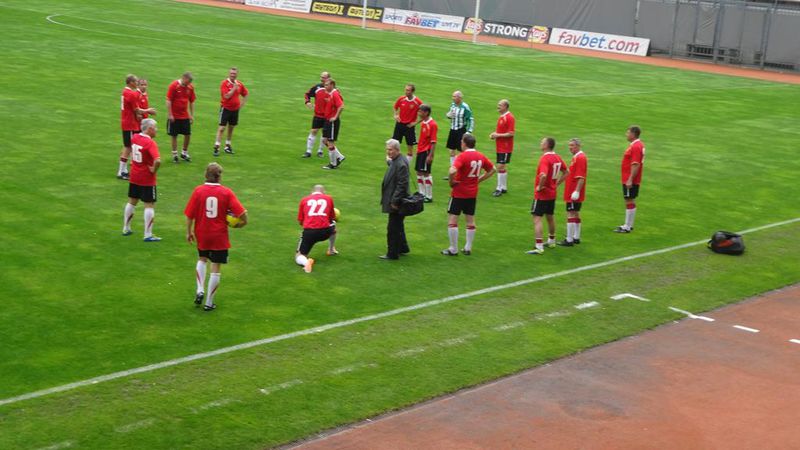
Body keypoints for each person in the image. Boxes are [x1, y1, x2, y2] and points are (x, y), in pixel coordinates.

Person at [184, 163, 248, 311]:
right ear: (219, 176)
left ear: (206, 175)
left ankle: (200, 289)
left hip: (202, 232)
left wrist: (188, 232)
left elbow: (189, 215)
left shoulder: (198, 191)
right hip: (219, 235)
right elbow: (241, 212)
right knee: (215, 267)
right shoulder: (226, 192)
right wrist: (243, 222)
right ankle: (209, 303)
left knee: (202, 259)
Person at [442, 133, 496, 256]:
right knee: (470, 219)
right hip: (472, 193)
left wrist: (451, 181)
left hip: (459, 192)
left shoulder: (462, 157)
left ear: (464, 143)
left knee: (453, 219)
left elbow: (452, 170)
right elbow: (493, 169)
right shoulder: (480, 156)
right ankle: (468, 247)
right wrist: (479, 180)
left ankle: (453, 249)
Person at [122, 118, 162, 241]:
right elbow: (158, 160)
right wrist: (153, 170)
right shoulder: (150, 143)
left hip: (134, 176)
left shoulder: (134, 137)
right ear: (149, 129)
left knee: (132, 201)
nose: (156, 130)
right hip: (147, 179)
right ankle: (148, 234)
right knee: (149, 205)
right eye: (155, 128)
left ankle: (126, 228)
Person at [527, 137, 568, 255]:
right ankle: (551, 240)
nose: (540, 143)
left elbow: (543, 175)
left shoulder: (545, 159)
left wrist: (539, 187)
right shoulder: (557, 157)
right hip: (552, 193)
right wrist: (556, 184)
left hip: (542, 194)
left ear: (547, 145)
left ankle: (539, 246)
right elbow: (566, 172)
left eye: (542, 142)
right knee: (550, 216)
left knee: (537, 218)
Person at [117, 74, 155, 180]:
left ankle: (124, 170)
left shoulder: (125, 92)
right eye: (136, 81)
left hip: (126, 122)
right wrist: (149, 111)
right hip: (130, 124)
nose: (137, 83)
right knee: (128, 147)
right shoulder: (131, 94)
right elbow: (137, 110)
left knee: (128, 146)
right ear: (131, 82)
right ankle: (120, 171)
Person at [295, 185, 338, 273]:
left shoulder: (304, 200)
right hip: (326, 232)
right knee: (333, 225)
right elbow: (332, 218)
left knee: (299, 255)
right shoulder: (328, 198)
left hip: (310, 233)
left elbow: (300, 221)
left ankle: (306, 263)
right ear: (324, 192)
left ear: (312, 192)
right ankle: (331, 249)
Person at [380, 139, 410, 260]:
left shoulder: (400, 164)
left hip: (398, 202)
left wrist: (394, 201)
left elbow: (402, 185)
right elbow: (393, 166)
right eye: (387, 149)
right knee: (398, 225)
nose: (388, 152)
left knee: (392, 228)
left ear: (397, 150)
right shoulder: (397, 160)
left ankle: (392, 253)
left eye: (390, 150)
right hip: (397, 200)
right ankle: (403, 247)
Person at [615, 126, 645, 233]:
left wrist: (630, 179)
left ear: (633, 134)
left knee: (629, 200)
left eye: (628, 132)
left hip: (630, 178)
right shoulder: (637, 145)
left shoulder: (636, 146)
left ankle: (627, 226)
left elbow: (635, 164)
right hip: (629, 177)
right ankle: (629, 225)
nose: (626, 134)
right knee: (629, 199)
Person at [557, 138, 587, 246]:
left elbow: (581, 177)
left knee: (570, 213)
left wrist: (577, 191)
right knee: (575, 213)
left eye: (572, 145)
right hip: (572, 191)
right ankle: (576, 237)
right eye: (569, 146)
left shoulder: (580, 158)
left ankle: (569, 239)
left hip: (573, 192)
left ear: (578, 146)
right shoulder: (577, 157)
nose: (570, 148)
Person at [214, 67, 248, 156]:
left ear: (237, 74)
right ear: (229, 74)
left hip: (235, 110)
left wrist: (241, 105)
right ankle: (217, 147)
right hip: (225, 109)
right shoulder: (224, 83)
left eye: (234, 73)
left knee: (231, 128)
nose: (233, 75)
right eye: (231, 73)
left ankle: (227, 146)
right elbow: (226, 96)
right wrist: (234, 88)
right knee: (221, 128)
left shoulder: (239, 84)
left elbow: (245, 94)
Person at [166, 72, 196, 163]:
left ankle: (184, 152)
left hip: (184, 115)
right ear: (183, 78)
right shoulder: (174, 86)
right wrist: (170, 114)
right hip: (175, 116)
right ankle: (175, 155)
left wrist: (191, 115)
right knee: (174, 135)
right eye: (188, 81)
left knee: (188, 134)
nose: (189, 83)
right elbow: (168, 100)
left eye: (190, 81)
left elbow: (192, 101)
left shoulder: (190, 87)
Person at [443, 91, 473, 179]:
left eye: (455, 96)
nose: (453, 98)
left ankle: (462, 173)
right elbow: (450, 115)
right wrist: (448, 115)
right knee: (451, 151)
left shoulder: (465, 107)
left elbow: (470, 119)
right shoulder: (453, 105)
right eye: (452, 96)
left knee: (462, 152)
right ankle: (453, 172)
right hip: (453, 130)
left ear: (460, 98)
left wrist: (469, 131)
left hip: (461, 131)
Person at [490, 99, 515, 197]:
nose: (498, 106)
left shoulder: (509, 117)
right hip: (500, 146)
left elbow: (511, 133)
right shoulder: (502, 117)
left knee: (500, 166)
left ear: (505, 107)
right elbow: (501, 132)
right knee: (502, 167)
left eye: (500, 105)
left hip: (505, 147)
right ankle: (504, 187)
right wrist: (494, 135)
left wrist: (497, 135)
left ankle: (499, 188)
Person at [303, 71, 330, 158]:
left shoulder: (333, 89)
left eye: (324, 77)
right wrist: (307, 102)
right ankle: (308, 151)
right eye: (321, 77)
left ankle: (320, 151)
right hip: (318, 115)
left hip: (328, 116)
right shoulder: (317, 87)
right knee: (314, 131)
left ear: (328, 78)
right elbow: (307, 94)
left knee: (324, 134)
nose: (322, 79)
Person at [393, 83, 423, 162]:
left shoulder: (418, 102)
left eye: (408, 90)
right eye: (405, 90)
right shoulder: (401, 99)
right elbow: (395, 107)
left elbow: (425, 114)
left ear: (412, 92)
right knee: (394, 146)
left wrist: (415, 123)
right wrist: (396, 115)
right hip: (399, 125)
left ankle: (405, 167)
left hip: (409, 127)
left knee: (410, 149)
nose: (406, 92)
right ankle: (394, 165)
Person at [321, 79, 346, 170]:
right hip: (327, 121)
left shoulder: (335, 94)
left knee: (330, 143)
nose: (325, 86)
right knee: (324, 140)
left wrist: (335, 117)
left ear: (332, 85)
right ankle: (339, 156)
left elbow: (341, 106)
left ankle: (333, 164)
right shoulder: (331, 93)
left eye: (327, 85)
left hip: (332, 122)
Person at [415, 104, 437, 203]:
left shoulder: (432, 124)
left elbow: (433, 141)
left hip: (426, 151)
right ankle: (421, 193)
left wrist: (430, 155)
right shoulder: (423, 122)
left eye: (420, 111)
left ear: (426, 112)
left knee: (426, 173)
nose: (419, 113)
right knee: (419, 172)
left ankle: (429, 196)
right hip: (420, 151)